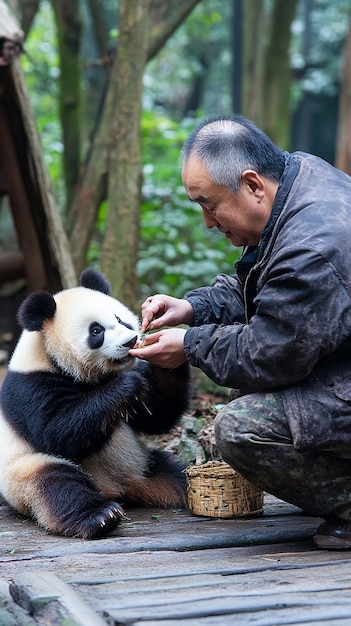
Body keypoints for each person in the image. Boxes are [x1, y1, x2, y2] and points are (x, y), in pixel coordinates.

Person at [129, 114, 351, 550]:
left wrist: (189, 346)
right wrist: (193, 307)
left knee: (244, 426)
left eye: (209, 204)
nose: (208, 222)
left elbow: (270, 354)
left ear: (252, 185)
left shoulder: (313, 245)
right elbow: (269, 293)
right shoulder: (296, 181)